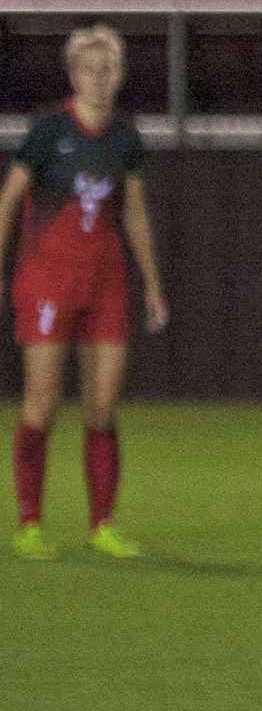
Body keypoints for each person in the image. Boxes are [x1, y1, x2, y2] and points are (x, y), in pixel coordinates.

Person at [4, 28, 168, 561]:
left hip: (106, 285)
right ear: (73, 74)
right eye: (87, 69)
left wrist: (152, 284)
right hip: (48, 282)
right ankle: (30, 523)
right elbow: (9, 201)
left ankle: (103, 524)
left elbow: (136, 213)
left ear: (118, 75)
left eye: (106, 69)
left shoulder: (125, 137)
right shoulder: (48, 131)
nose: (96, 79)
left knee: (102, 407)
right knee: (43, 402)